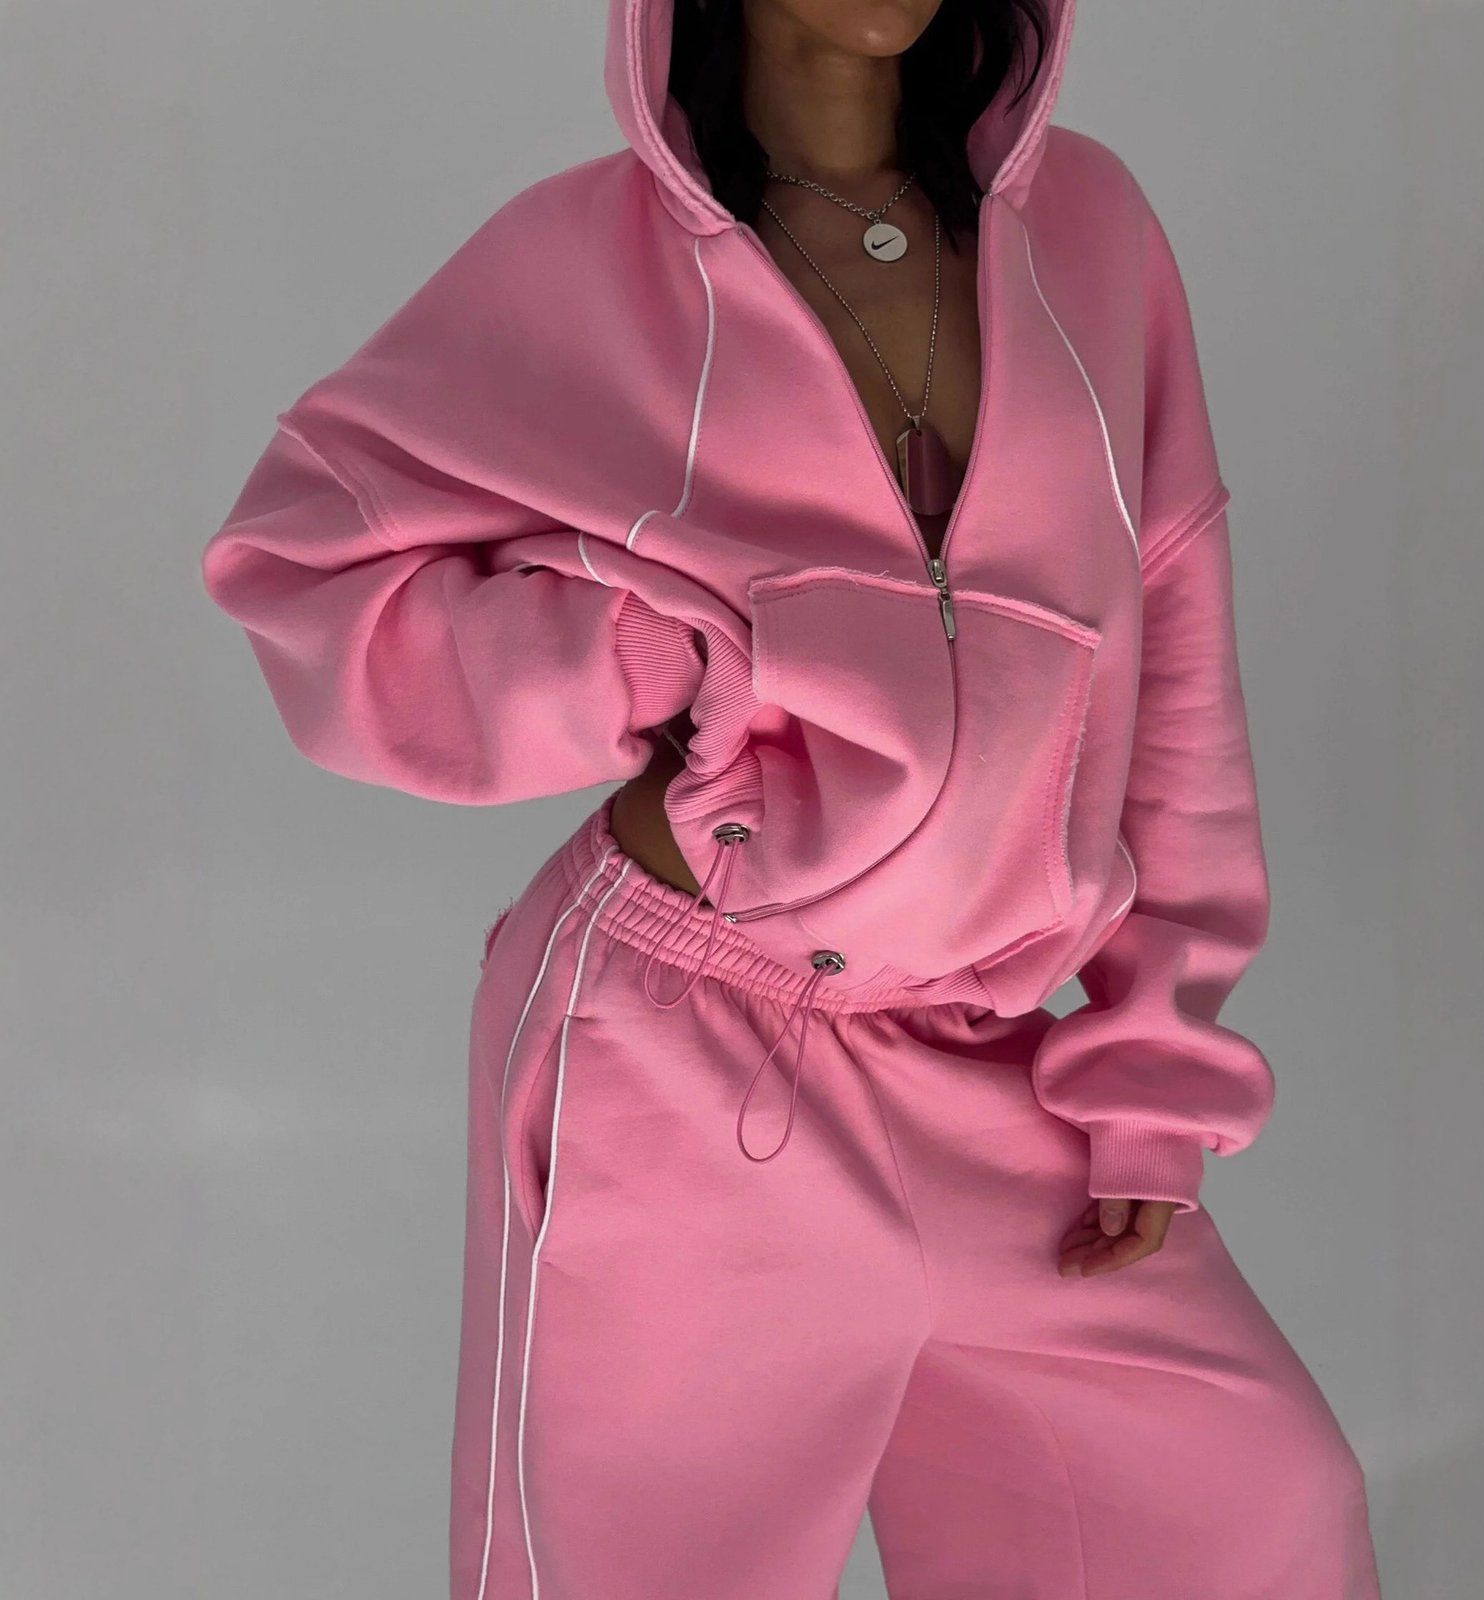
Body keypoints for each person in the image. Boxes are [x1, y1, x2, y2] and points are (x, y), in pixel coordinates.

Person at [199, 1, 1384, 1595]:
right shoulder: (591, 263)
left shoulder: (1090, 234)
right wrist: (647, 652)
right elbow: (303, 563)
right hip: (678, 1058)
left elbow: (1174, 660)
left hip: (984, 1060)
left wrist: (1154, 1070)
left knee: (1250, 1518)